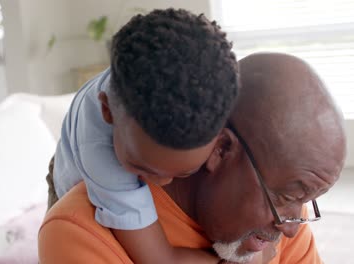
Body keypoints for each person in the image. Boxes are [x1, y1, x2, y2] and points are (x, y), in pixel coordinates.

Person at [39, 53, 347, 264]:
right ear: (220, 149)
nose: (292, 226)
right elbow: (161, 259)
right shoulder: (80, 230)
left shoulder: (283, 216)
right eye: (286, 196)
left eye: (305, 198)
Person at [47, 8, 239, 264]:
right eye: (140, 167)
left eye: (183, 172)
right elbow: (160, 260)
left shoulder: (214, 94)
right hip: (73, 180)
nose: (161, 183)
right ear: (107, 111)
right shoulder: (101, 154)